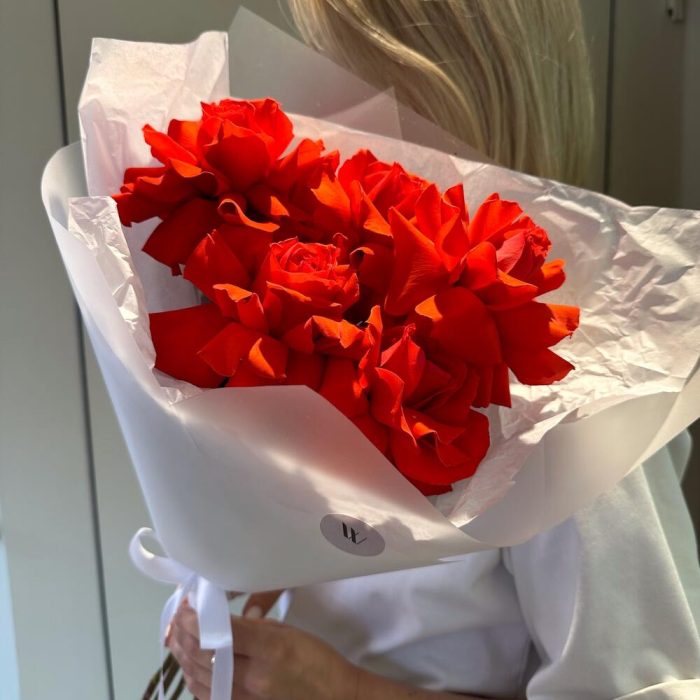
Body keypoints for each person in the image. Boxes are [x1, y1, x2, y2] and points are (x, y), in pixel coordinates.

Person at [166, 1, 700, 697]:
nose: (299, 116)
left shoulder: (576, 393)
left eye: (334, 81)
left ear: (447, 106)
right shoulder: (331, 305)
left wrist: (346, 691)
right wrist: (246, 575)